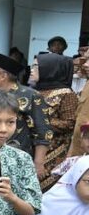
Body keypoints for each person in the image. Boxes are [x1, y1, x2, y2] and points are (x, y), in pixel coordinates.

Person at [0, 52, 51, 171]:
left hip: (18, 162)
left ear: (3, 76)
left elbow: (43, 132)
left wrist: (38, 163)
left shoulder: (30, 95)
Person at [33, 52, 78, 190]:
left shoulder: (66, 94)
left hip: (53, 153)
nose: (31, 69)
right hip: (33, 148)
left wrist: (39, 121)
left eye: (36, 66)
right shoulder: (37, 91)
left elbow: (70, 123)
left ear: (50, 69)